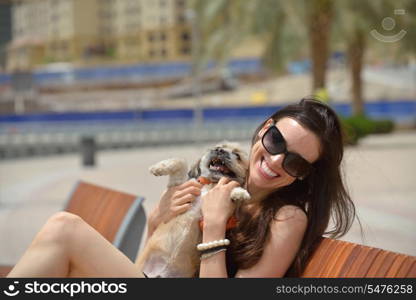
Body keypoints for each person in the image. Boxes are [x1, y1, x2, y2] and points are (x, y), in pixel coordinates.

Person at [7, 98, 357, 278]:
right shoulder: (222, 183)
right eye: (276, 140)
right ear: (265, 128)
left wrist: (215, 225)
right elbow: (156, 258)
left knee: (64, 229)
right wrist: (158, 217)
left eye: (295, 162)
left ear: (306, 175)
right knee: (61, 244)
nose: (277, 160)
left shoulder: (287, 217)